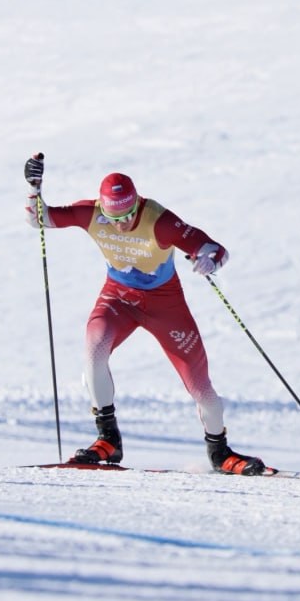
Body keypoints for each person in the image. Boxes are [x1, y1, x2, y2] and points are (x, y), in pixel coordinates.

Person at [23, 158, 266, 474]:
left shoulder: (159, 220)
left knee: (201, 388)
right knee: (94, 353)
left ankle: (220, 453)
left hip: (166, 305)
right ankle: (108, 438)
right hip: (118, 298)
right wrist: (34, 189)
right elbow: (41, 218)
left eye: (127, 215)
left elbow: (214, 248)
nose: (121, 223)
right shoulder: (93, 213)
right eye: (114, 218)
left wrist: (210, 260)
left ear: (137, 204)